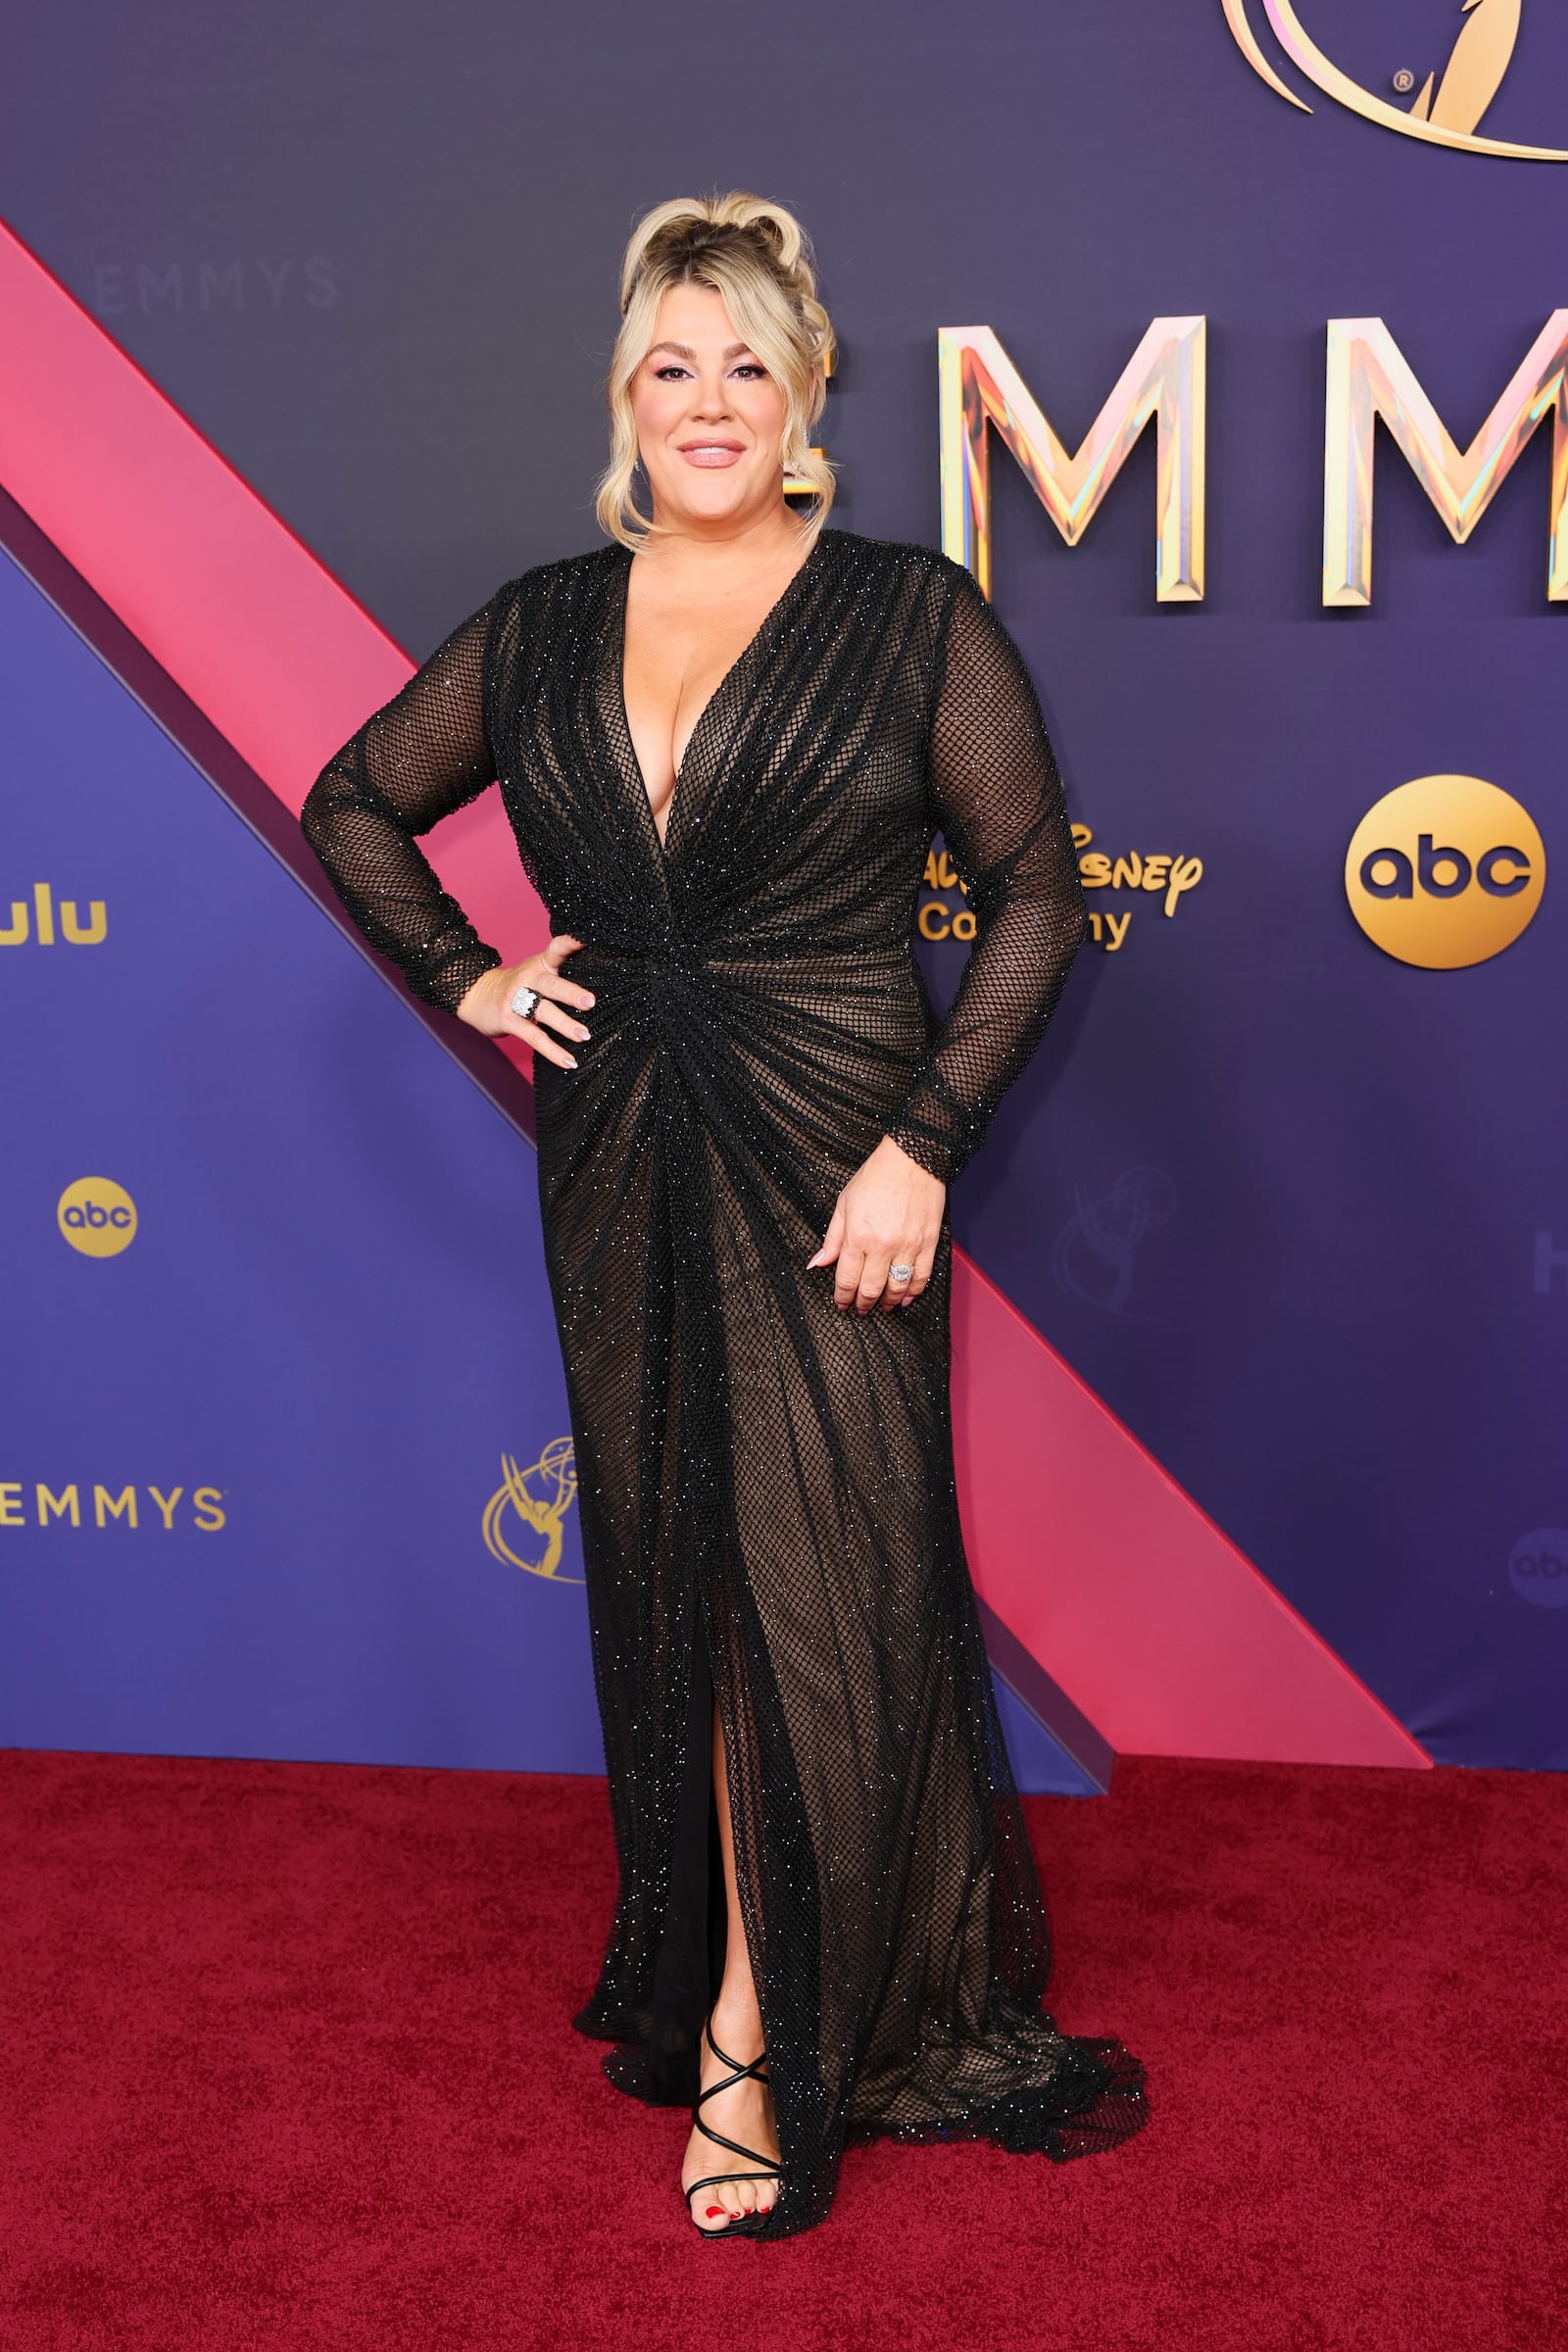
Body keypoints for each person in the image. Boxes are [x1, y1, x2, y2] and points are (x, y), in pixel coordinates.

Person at [300, 190, 1148, 2242]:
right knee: (678, 1570)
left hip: (832, 1147)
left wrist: (924, 1138)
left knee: (819, 1577)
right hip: (618, 1150)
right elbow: (352, 801)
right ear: (623, 395)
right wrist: (474, 977)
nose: (705, 402)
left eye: (743, 364)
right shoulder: (542, 621)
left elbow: (1035, 895)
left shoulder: (905, 612)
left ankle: (771, 2042)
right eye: (667, 366)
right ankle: (728, 1968)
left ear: (805, 392)